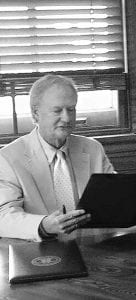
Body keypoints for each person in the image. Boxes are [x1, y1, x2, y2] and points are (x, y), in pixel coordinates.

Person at [0, 74, 115, 241]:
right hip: (38, 250)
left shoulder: (93, 149)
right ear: (36, 113)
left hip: (93, 244)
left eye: (71, 109)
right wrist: (43, 226)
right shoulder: (8, 158)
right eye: (57, 110)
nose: (67, 118)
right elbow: (3, 216)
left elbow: (114, 197)